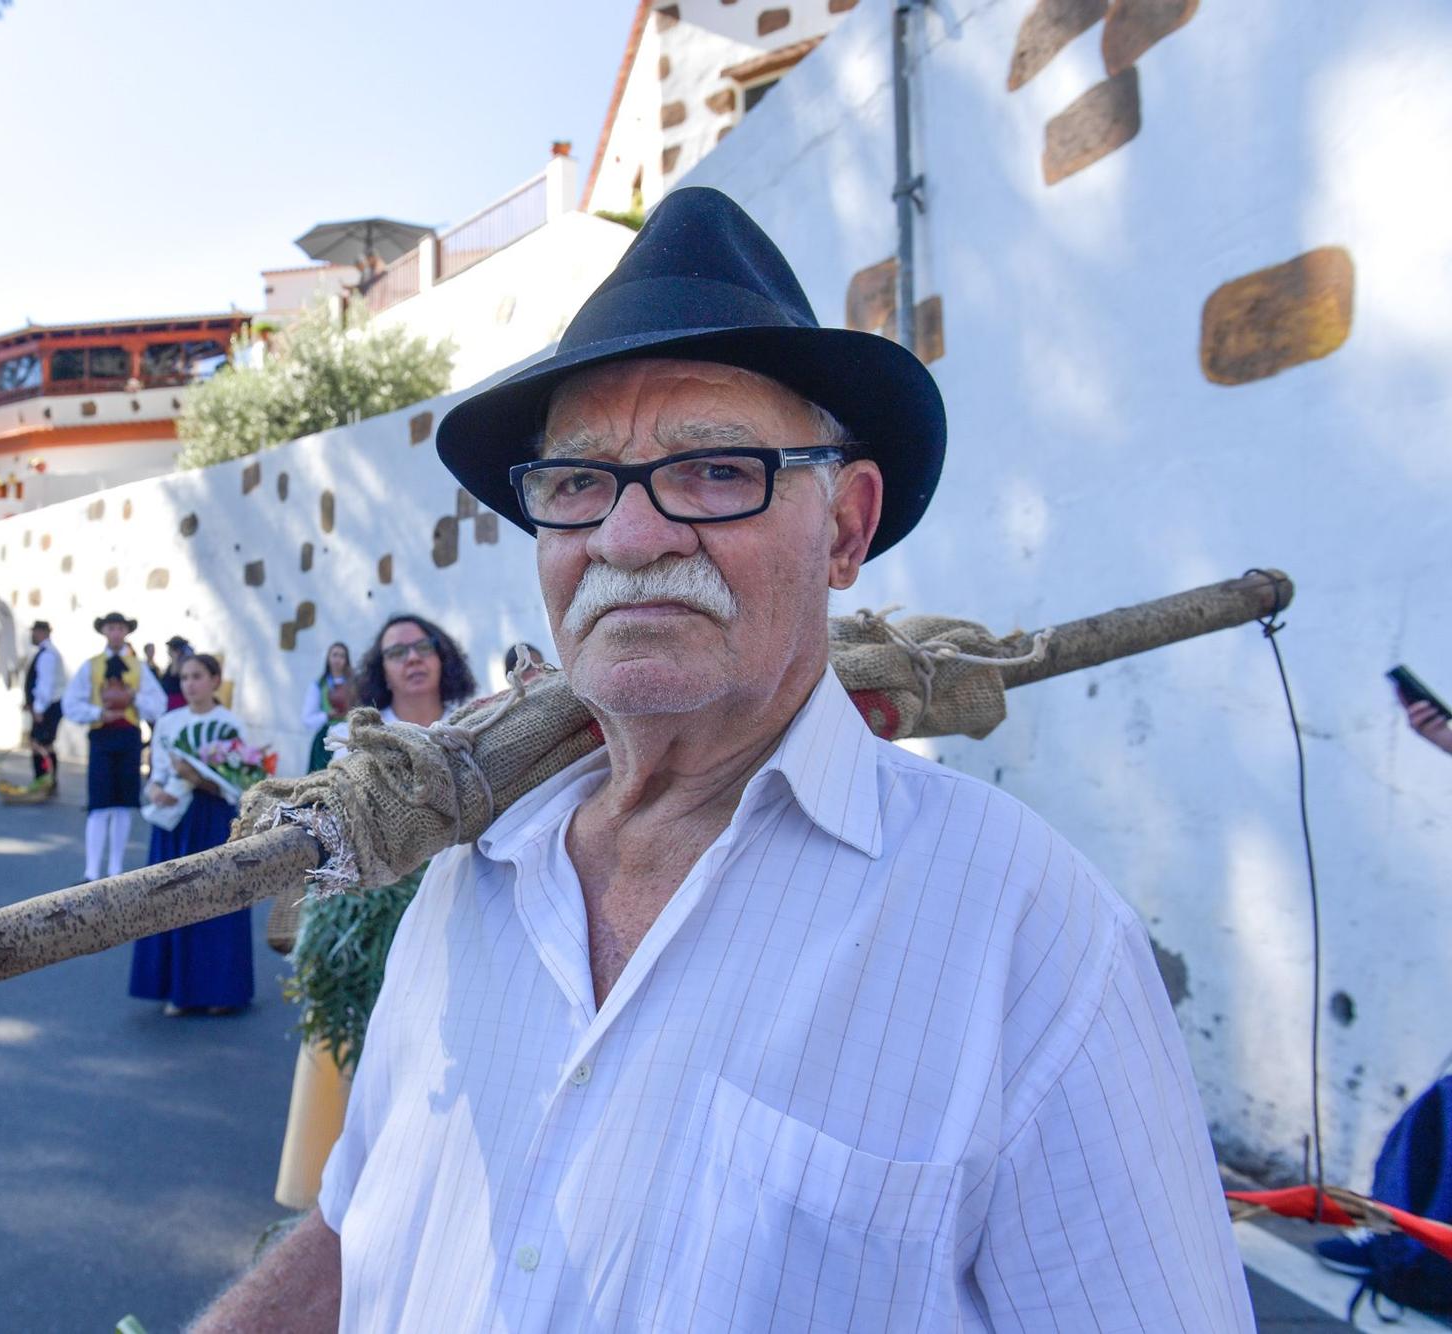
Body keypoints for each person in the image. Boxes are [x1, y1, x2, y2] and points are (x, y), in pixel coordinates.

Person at [196, 188, 1253, 1331]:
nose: (628, 535)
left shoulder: (1028, 932)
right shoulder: (466, 877)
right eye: (577, 483)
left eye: (713, 470)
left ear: (844, 527)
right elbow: (367, 1227)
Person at [272, 615, 478, 1212]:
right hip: (374, 924)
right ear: (380, 672)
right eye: (396, 653)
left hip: (465, 909)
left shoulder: (478, 721)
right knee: (372, 1057)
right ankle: (357, 1194)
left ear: (443, 657)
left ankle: (438, 1190)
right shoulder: (358, 738)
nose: (412, 659)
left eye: (422, 647)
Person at [129, 653, 252, 1015]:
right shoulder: (168, 722)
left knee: (217, 899)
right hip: (173, 823)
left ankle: (221, 991)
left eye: (198, 676)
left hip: (212, 819)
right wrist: (156, 792)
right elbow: (156, 776)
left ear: (215, 680)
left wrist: (200, 779)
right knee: (172, 899)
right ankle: (177, 991)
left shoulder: (230, 725)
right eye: (184, 678)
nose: (189, 684)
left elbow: (241, 783)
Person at [62, 612, 167, 882]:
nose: (117, 633)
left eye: (121, 628)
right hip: (101, 737)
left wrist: (135, 697)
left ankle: (115, 871)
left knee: (123, 804)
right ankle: (92, 871)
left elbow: (159, 704)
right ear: (105, 632)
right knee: (99, 804)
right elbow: (71, 703)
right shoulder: (92, 666)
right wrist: (98, 713)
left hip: (129, 737)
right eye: (112, 628)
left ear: (126, 632)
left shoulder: (138, 667)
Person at [298, 642, 354, 774]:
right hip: (326, 741)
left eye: (342, 656)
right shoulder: (319, 685)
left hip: (348, 737)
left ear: (346, 660)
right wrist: (328, 715)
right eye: (334, 655)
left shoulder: (355, 684)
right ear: (328, 658)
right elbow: (307, 719)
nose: (338, 659)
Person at [23, 620, 65, 787]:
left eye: (35, 632)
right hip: (47, 706)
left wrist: (39, 708)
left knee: (40, 745)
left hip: (47, 707)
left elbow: (45, 684)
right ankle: (48, 780)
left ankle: (44, 780)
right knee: (45, 745)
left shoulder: (47, 655)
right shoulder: (46, 653)